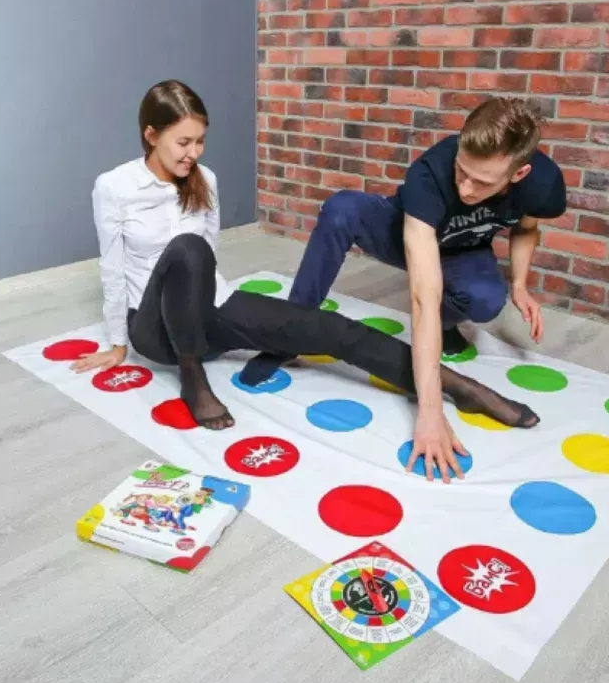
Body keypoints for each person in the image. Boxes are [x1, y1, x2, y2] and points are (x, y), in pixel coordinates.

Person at [70, 81, 540, 481]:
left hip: (210, 311)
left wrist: (256, 320)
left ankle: (461, 388)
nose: (194, 153)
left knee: (329, 329)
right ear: (151, 135)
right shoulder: (114, 187)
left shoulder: (204, 179)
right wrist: (117, 343)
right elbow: (113, 266)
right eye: (183, 143)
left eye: (200, 142)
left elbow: (208, 262)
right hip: (156, 330)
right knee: (187, 248)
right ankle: (192, 378)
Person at [240, 95, 566, 480]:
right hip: (404, 232)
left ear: (519, 173)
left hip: (463, 249)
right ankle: (288, 332)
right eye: (461, 171)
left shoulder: (543, 183)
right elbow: (422, 297)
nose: (465, 188)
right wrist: (430, 411)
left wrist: (520, 285)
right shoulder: (429, 174)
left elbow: (526, 229)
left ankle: (447, 326)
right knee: (342, 208)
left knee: (487, 299)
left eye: (481, 182)